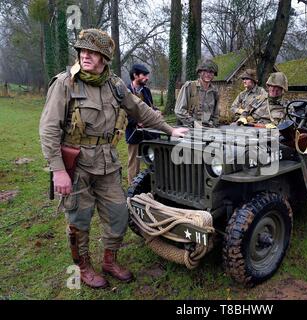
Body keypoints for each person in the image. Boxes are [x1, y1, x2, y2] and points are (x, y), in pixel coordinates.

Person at [39, 29, 188, 289]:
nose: (85, 55)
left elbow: (139, 109)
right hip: (77, 165)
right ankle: (83, 266)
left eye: (93, 52)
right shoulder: (65, 83)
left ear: (104, 58)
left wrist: (170, 129)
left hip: (107, 162)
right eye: (83, 51)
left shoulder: (115, 85)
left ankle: (110, 260)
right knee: (79, 219)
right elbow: (48, 129)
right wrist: (58, 170)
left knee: (119, 213)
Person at [126, 64, 158, 185]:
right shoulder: (126, 91)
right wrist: (136, 122)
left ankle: (154, 185)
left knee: (153, 159)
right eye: (144, 75)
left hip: (149, 133)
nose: (147, 78)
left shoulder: (146, 91)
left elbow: (149, 108)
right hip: (133, 133)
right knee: (134, 164)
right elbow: (122, 114)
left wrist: (156, 111)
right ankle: (133, 190)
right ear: (135, 75)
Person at [175, 59, 220, 128]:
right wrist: (194, 123)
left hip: (208, 129)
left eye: (211, 72)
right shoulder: (189, 87)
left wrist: (213, 124)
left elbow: (216, 114)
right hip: (189, 128)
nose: (208, 74)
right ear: (199, 73)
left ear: (214, 74)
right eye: (205, 71)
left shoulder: (214, 91)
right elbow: (179, 110)